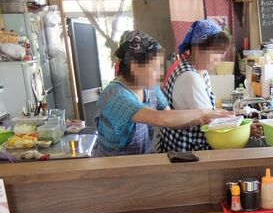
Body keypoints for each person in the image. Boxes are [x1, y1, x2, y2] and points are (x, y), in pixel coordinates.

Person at [93, 31, 229, 157]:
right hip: (114, 168)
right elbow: (160, 118)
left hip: (142, 162)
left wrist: (201, 119)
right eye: (155, 68)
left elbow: (170, 118)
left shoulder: (150, 88)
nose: (160, 74)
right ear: (135, 67)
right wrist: (202, 113)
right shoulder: (114, 95)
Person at [156, 20, 231, 153]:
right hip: (184, 152)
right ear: (197, 49)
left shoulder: (201, 71)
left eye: (222, 53)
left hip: (189, 148)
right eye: (217, 52)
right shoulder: (189, 77)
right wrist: (243, 126)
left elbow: (209, 113)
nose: (221, 58)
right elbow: (210, 120)